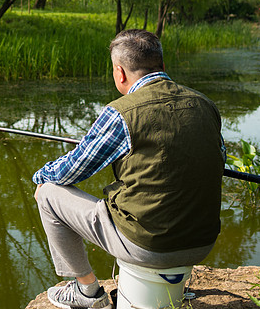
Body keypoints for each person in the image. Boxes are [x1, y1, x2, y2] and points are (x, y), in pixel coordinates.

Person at [33, 29, 224, 309]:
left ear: (119, 73)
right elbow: (218, 160)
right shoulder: (205, 105)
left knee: (47, 192)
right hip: (202, 242)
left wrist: (40, 174)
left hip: (148, 246)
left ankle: (88, 293)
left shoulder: (121, 112)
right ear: (161, 65)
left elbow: (72, 170)